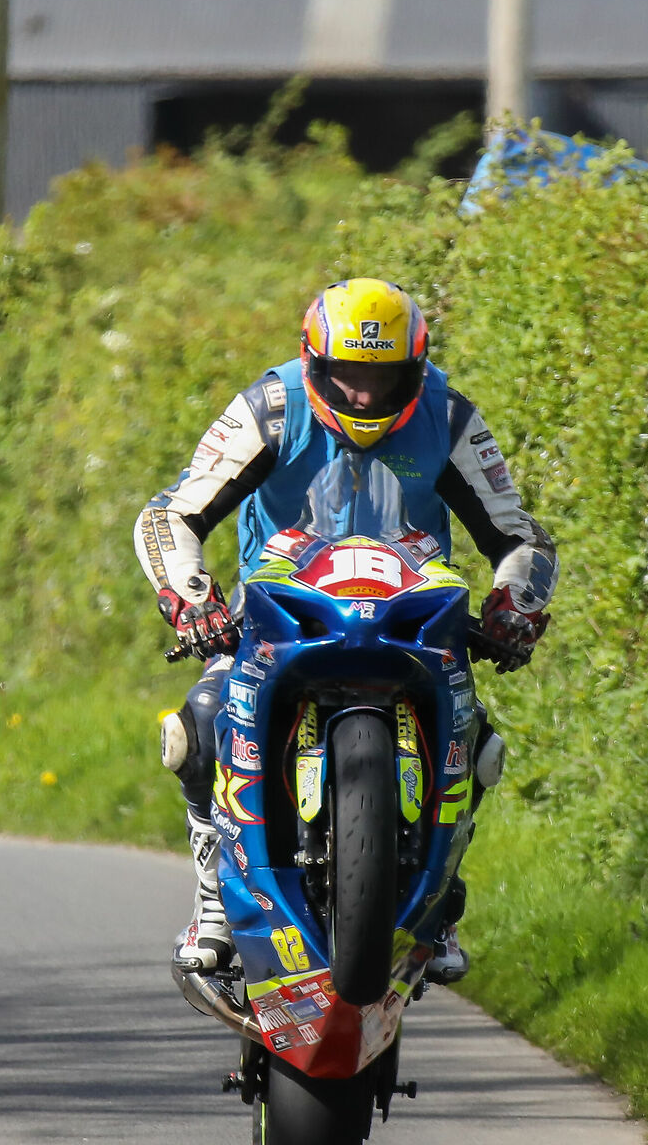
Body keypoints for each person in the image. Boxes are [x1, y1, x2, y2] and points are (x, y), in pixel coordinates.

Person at [134, 277, 557, 979]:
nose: (364, 395)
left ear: (415, 369)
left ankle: (439, 901)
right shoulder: (270, 407)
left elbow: (521, 536)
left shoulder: (448, 415)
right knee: (202, 720)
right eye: (348, 376)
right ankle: (215, 894)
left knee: (473, 733)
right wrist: (191, 597)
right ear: (313, 363)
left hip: (413, 615)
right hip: (279, 610)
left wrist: (517, 603)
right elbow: (169, 514)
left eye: (384, 378)